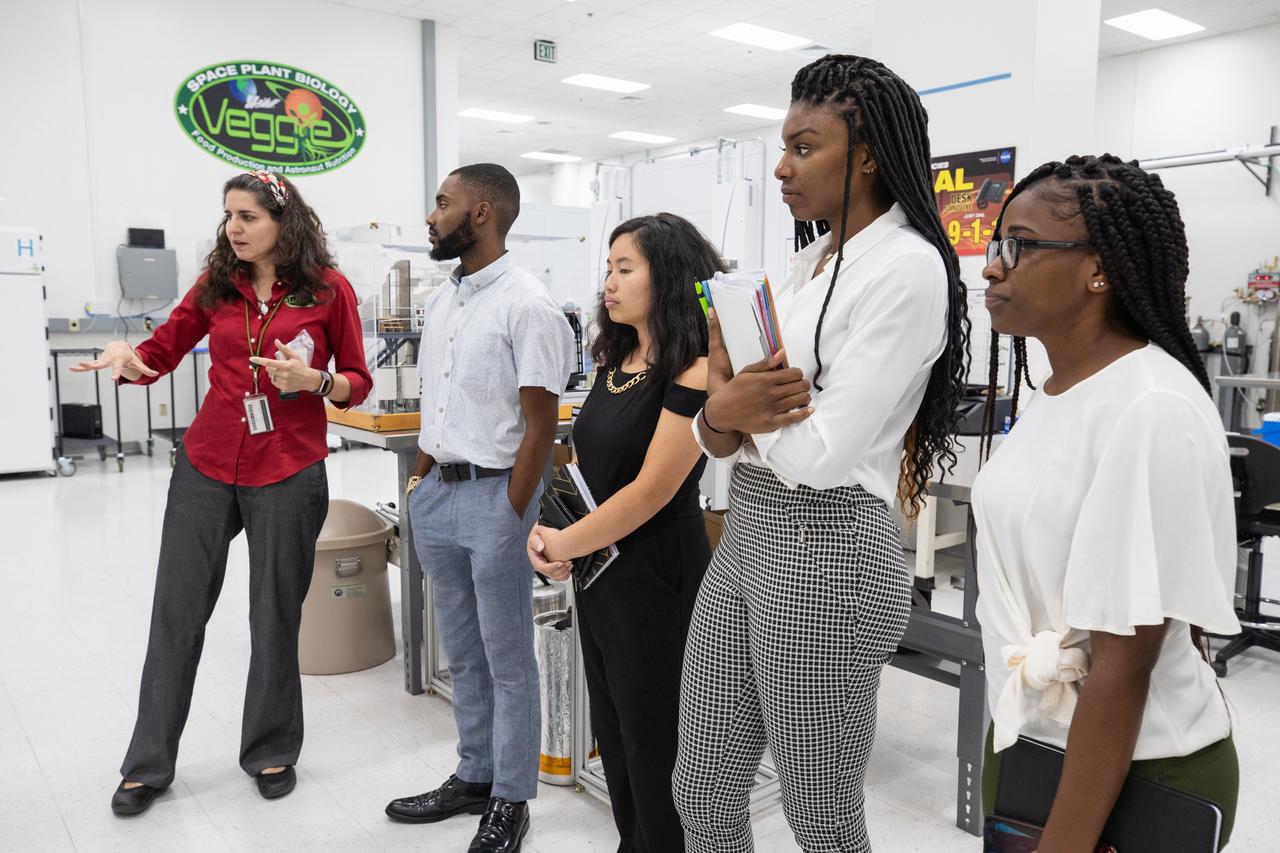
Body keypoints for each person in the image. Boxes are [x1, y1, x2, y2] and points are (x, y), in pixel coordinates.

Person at [672, 54, 970, 853]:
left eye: (804, 147)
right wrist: (726, 410)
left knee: (820, 812)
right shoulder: (809, 263)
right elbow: (718, 433)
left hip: (829, 548)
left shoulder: (907, 270)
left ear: (867, 155)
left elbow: (820, 457)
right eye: (783, 146)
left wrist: (734, 405)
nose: (780, 167)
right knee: (699, 787)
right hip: (749, 537)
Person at [73, 170, 372, 816]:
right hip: (208, 463)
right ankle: (148, 763)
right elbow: (165, 348)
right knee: (176, 612)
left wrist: (314, 380)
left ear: (282, 223)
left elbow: (357, 381)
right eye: (228, 214)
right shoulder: (216, 285)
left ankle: (269, 748)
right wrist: (129, 359)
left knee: (273, 616)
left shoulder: (329, 290)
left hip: (289, 468)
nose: (233, 227)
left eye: (248, 216)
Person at [972, 154, 1240, 851]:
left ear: (1099, 269)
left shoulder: (1149, 404)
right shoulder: (1056, 390)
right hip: (1038, 739)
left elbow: (1124, 665)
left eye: (1020, 246)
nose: (992, 267)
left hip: (1140, 769)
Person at [384, 163, 573, 853]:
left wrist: (511, 508)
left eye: (443, 203)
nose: (431, 217)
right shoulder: (446, 299)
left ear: (483, 213)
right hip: (437, 493)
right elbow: (440, 400)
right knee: (460, 649)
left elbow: (541, 423)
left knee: (506, 656)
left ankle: (510, 797)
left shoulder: (528, 303)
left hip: (497, 496)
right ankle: (473, 771)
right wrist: (422, 479)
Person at [526, 213, 722, 853]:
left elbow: (651, 490)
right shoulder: (615, 360)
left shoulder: (692, 371)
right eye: (607, 268)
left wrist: (565, 544)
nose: (608, 282)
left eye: (624, 268)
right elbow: (590, 467)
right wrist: (549, 534)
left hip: (657, 575)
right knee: (614, 730)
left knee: (656, 739)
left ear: (665, 277)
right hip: (600, 572)